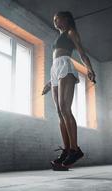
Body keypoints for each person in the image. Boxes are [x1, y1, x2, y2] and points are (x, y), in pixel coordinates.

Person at [42, 11, 96, 168]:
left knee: (65, 108)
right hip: (55, 70)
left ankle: (75, 149)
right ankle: (66, 150)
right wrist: (49, 81)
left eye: (57, 18)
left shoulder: (71, 32)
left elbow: (81, 52)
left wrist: (89, 69)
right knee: (59, 112)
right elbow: (56, 61)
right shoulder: (59, 36)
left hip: (66, 66)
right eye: (53, 19)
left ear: (66, 19)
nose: (54, 21)